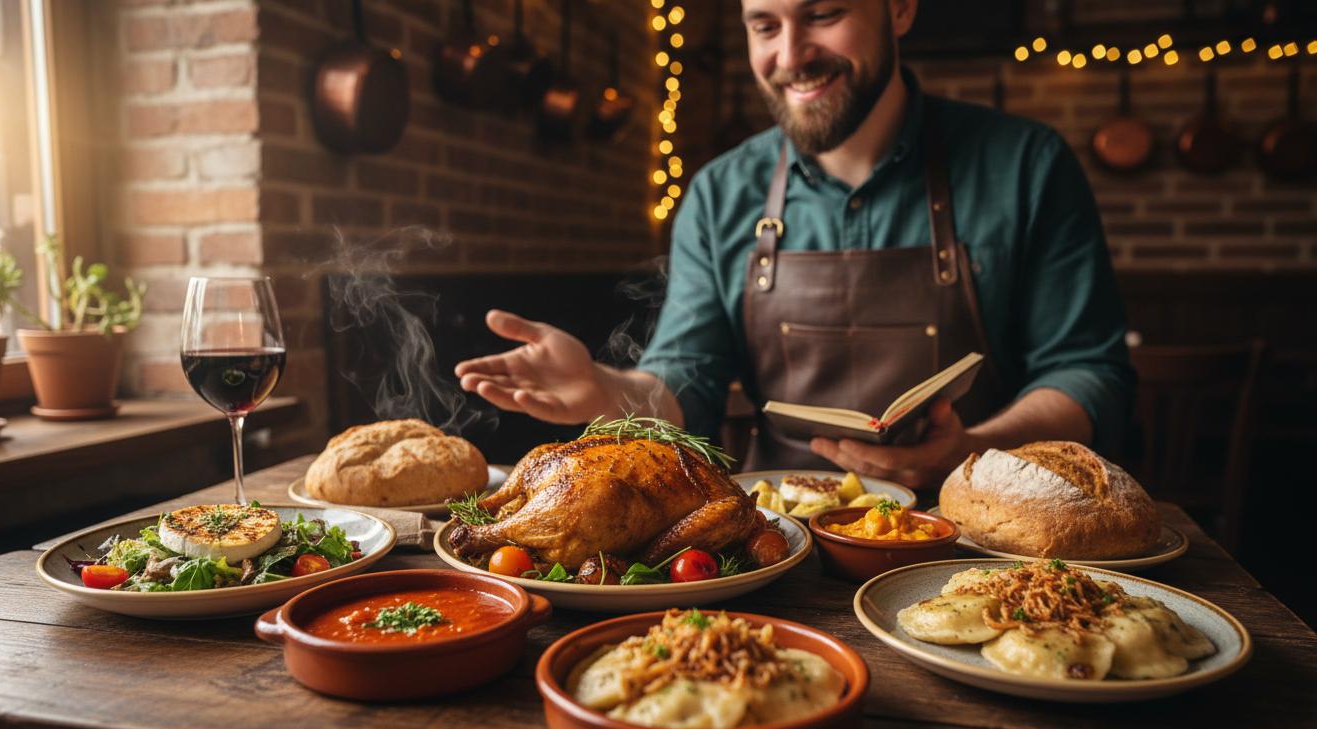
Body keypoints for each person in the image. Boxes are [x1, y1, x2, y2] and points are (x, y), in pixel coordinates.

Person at [455, 0, 1133, 488]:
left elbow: (1087, 372)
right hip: (779, 536)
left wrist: (974, 450)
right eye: (764, 25)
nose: (790, 55)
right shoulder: (721, 192)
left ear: (899, 9)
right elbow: (686, 379)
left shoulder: (1027, 165)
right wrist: (604, 389)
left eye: (822, 14)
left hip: (981, 525)